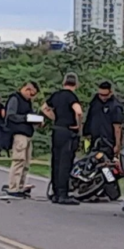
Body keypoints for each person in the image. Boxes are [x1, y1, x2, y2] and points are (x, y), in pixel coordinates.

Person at [41, 73, 83, 205]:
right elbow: (79, 111)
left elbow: (44, 108)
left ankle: (55, 192)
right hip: (68, 131)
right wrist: (78, 125)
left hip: (57, 130)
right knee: (65, 162)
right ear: (76, 84)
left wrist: (55, 118)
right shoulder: (72, 97)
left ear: (63, 82)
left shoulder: (56, 95)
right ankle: (63, 193)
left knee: (56, 161)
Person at [3, 82, 41, 197]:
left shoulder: (27, 102)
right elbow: (11, 116)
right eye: (32, 94)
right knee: (19, 160)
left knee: (26, 162)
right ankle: (13, 187)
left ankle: (20, 185)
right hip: (19, 134)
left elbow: (30, 114)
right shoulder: (15, 99)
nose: (32, 97)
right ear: (27, 89)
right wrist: (26, 118)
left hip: (28, 134)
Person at [83, 81, 124, 158]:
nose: (102, 97)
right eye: (100, 95)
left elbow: (117, 127)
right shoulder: (95, 102)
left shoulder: (115, 106)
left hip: (108, 142)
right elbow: (89, 119)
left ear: (110, 92)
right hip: (93, 141)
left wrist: (117, 145)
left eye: (105, 95)